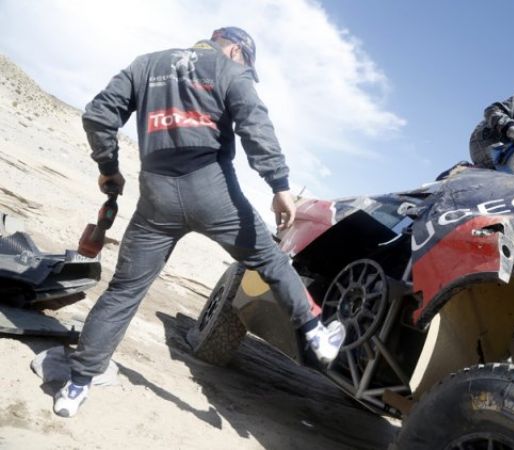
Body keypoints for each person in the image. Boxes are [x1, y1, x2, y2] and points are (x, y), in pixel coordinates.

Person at [53, 27, 345, 418]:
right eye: (247, 64)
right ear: (236, 51)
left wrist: (108, 168)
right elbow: (255, 127)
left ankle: (76, 386)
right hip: (213, 192)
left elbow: (97, 115)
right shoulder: (229, 71)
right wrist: (279, 185)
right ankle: (315, 333)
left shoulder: (147, 65)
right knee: (271, 261)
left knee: (124, 291)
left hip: (156, 197)